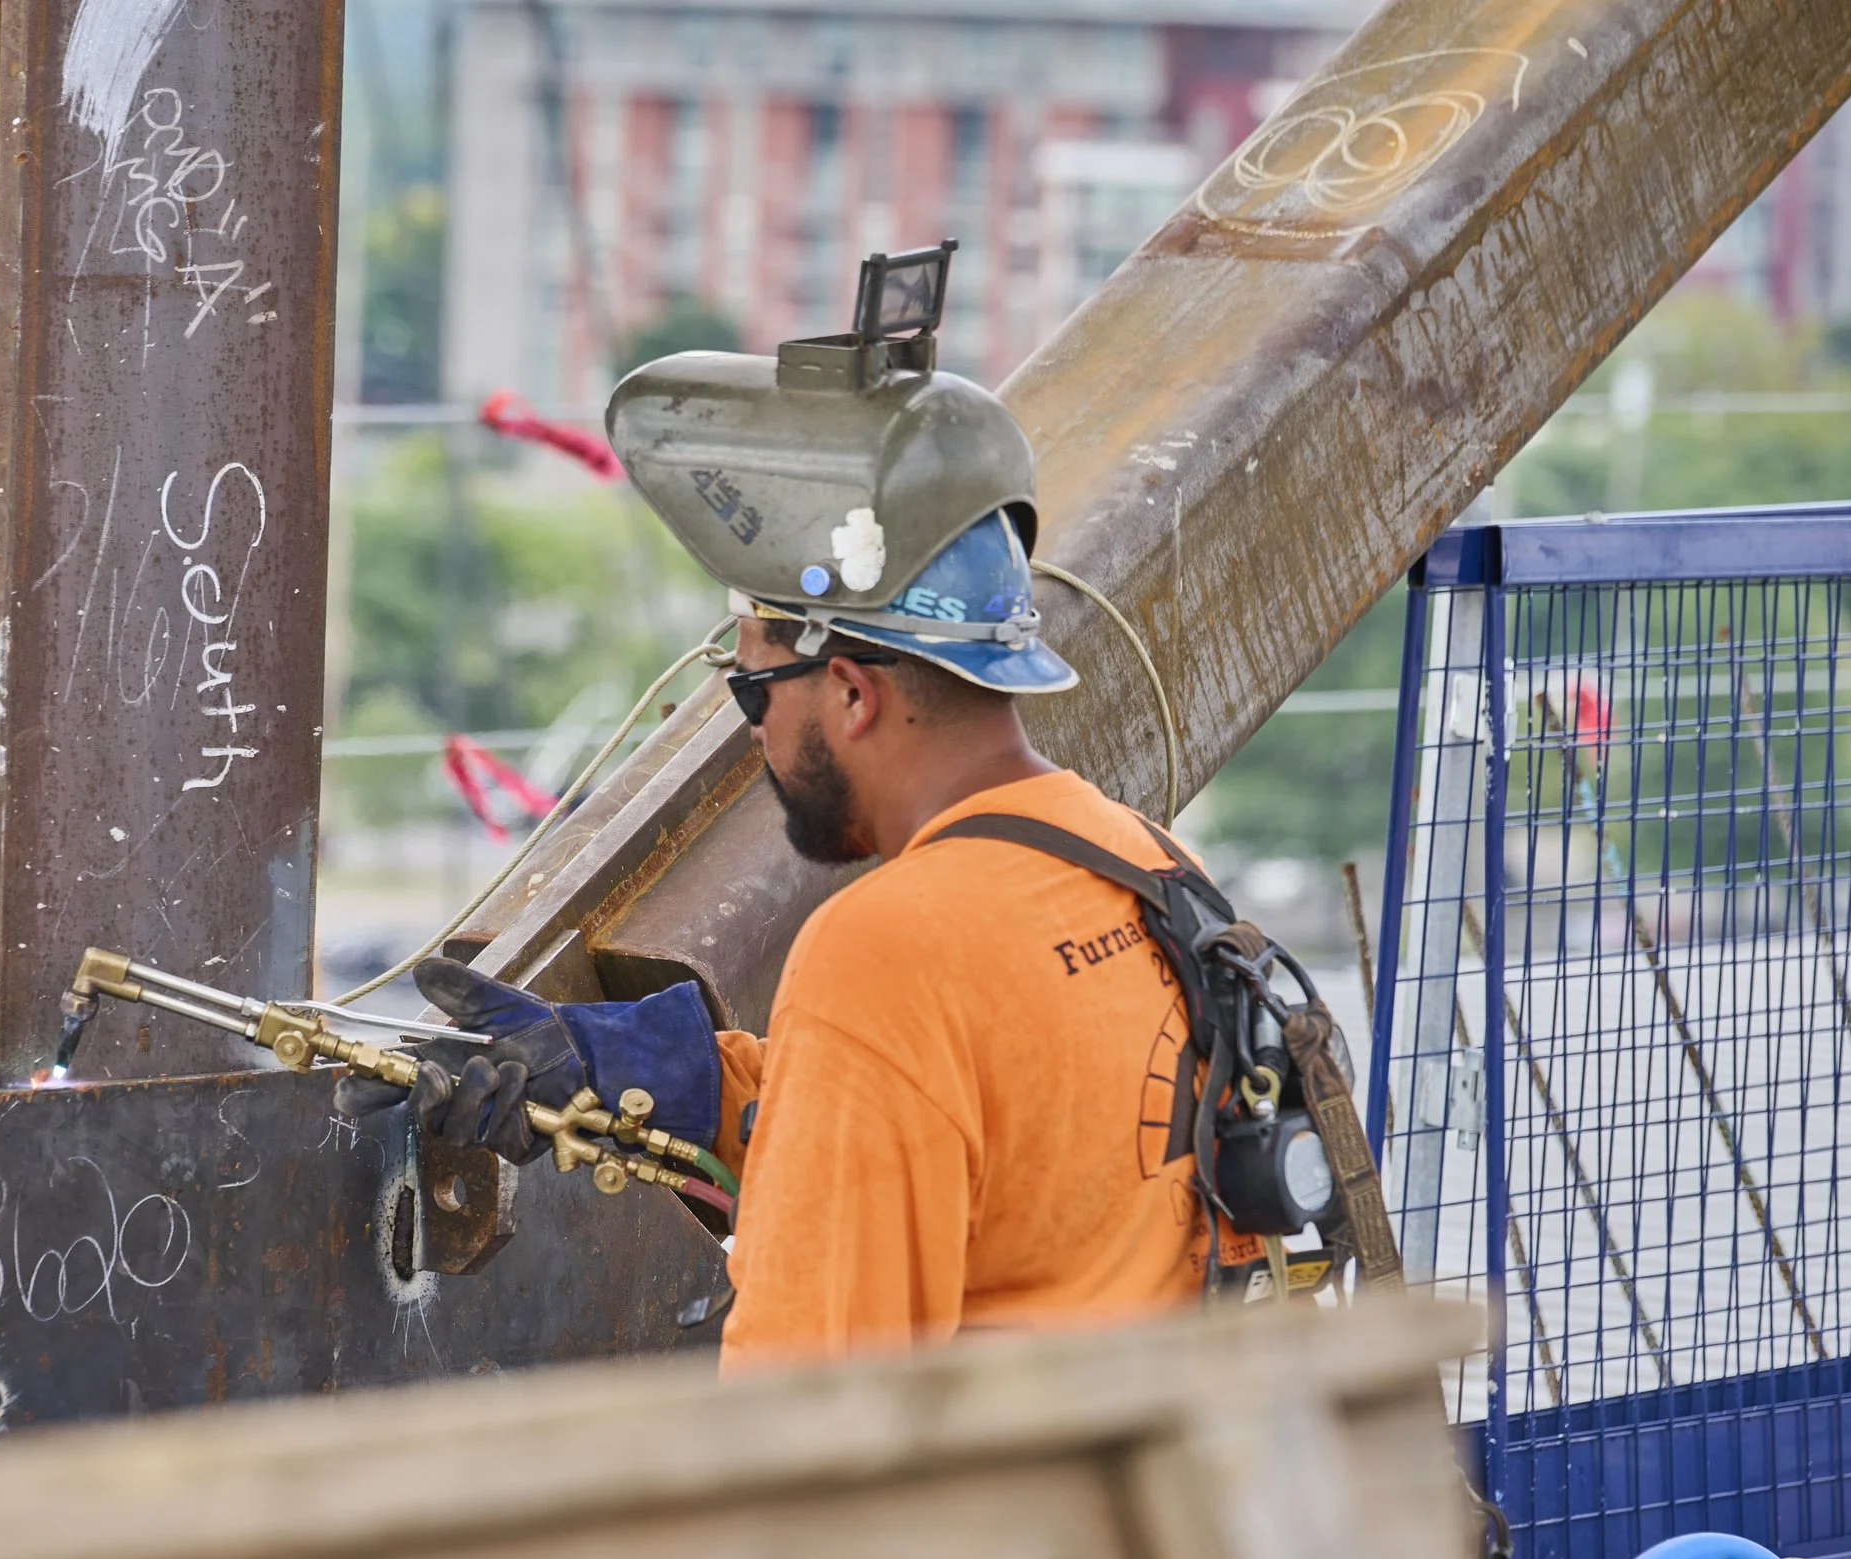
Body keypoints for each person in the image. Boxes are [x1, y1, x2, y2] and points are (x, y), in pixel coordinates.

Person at [337, 248, 1282, 1372]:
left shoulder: (888, 950)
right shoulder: (1146, 867)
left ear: (849, 690)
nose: (748, 729)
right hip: (1146, 1493)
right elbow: (988, 1141)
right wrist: (654, 1067)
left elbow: (809, 1402)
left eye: (751, 688)